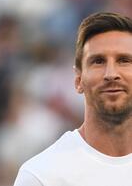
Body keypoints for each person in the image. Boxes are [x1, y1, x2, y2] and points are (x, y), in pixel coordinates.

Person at [13, 12, 132, 186]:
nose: (111, 74)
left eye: (124, 60)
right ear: (78, 81)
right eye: (98, 61)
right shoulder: (41, 176)